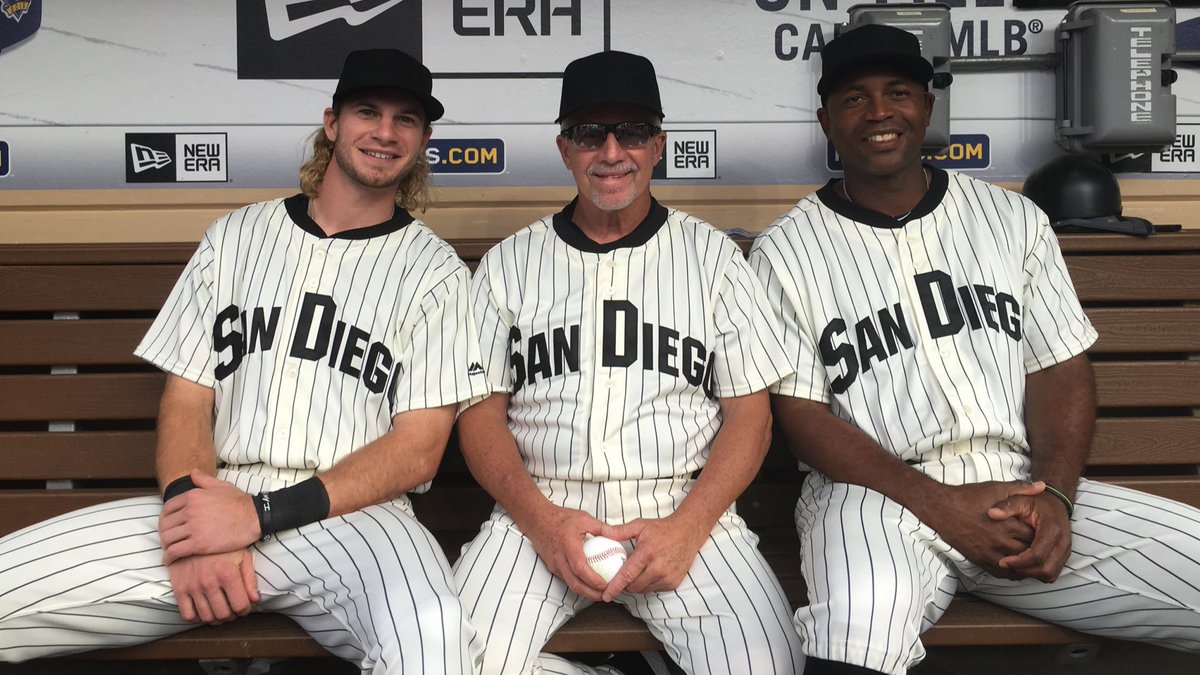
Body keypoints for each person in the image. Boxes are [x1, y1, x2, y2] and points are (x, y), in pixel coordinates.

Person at [0, 49, 489, 674]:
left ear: (423, 141)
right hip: (214, 495)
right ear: (332, 123)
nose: (386, 132)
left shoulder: (436, 272)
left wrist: (254, 520)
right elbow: (186, 400)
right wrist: (192, 527)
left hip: (355, 519)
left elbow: (417, 449)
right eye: (368, 111)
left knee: (433, 638)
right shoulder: (235, 238)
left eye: (408, 119)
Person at [748, 23, 1200, 675]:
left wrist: (1059, 498)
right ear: (826, 120)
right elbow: (803, 417)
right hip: (875, 494)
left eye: (898, 91)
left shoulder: (1011, 219)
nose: (879, 112)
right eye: (854, 97)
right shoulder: (785, 252)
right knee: (858, 630)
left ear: (927, 108)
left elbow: (1058, 367)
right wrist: (941, 506)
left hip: (1021, 484)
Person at [451, 50, 806, 675]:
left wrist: (691, 526)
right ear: (565, 149)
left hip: (684, 509)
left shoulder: (716, 261)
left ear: (659, 144)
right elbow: (480, 420)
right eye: (591, 133)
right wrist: (539, 521)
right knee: (440, 664)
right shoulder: (508, 264)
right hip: (542, 510)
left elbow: (752, 419)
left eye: (632, 131)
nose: (612, 151)